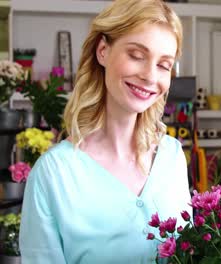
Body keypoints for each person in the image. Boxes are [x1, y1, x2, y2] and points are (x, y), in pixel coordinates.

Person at [19, 0, 192, 263]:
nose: (149, 76)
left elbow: (190, 253)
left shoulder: (172, 156)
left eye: (163, 65)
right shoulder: (54, 174)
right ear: (103, 50)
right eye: (136, 55)